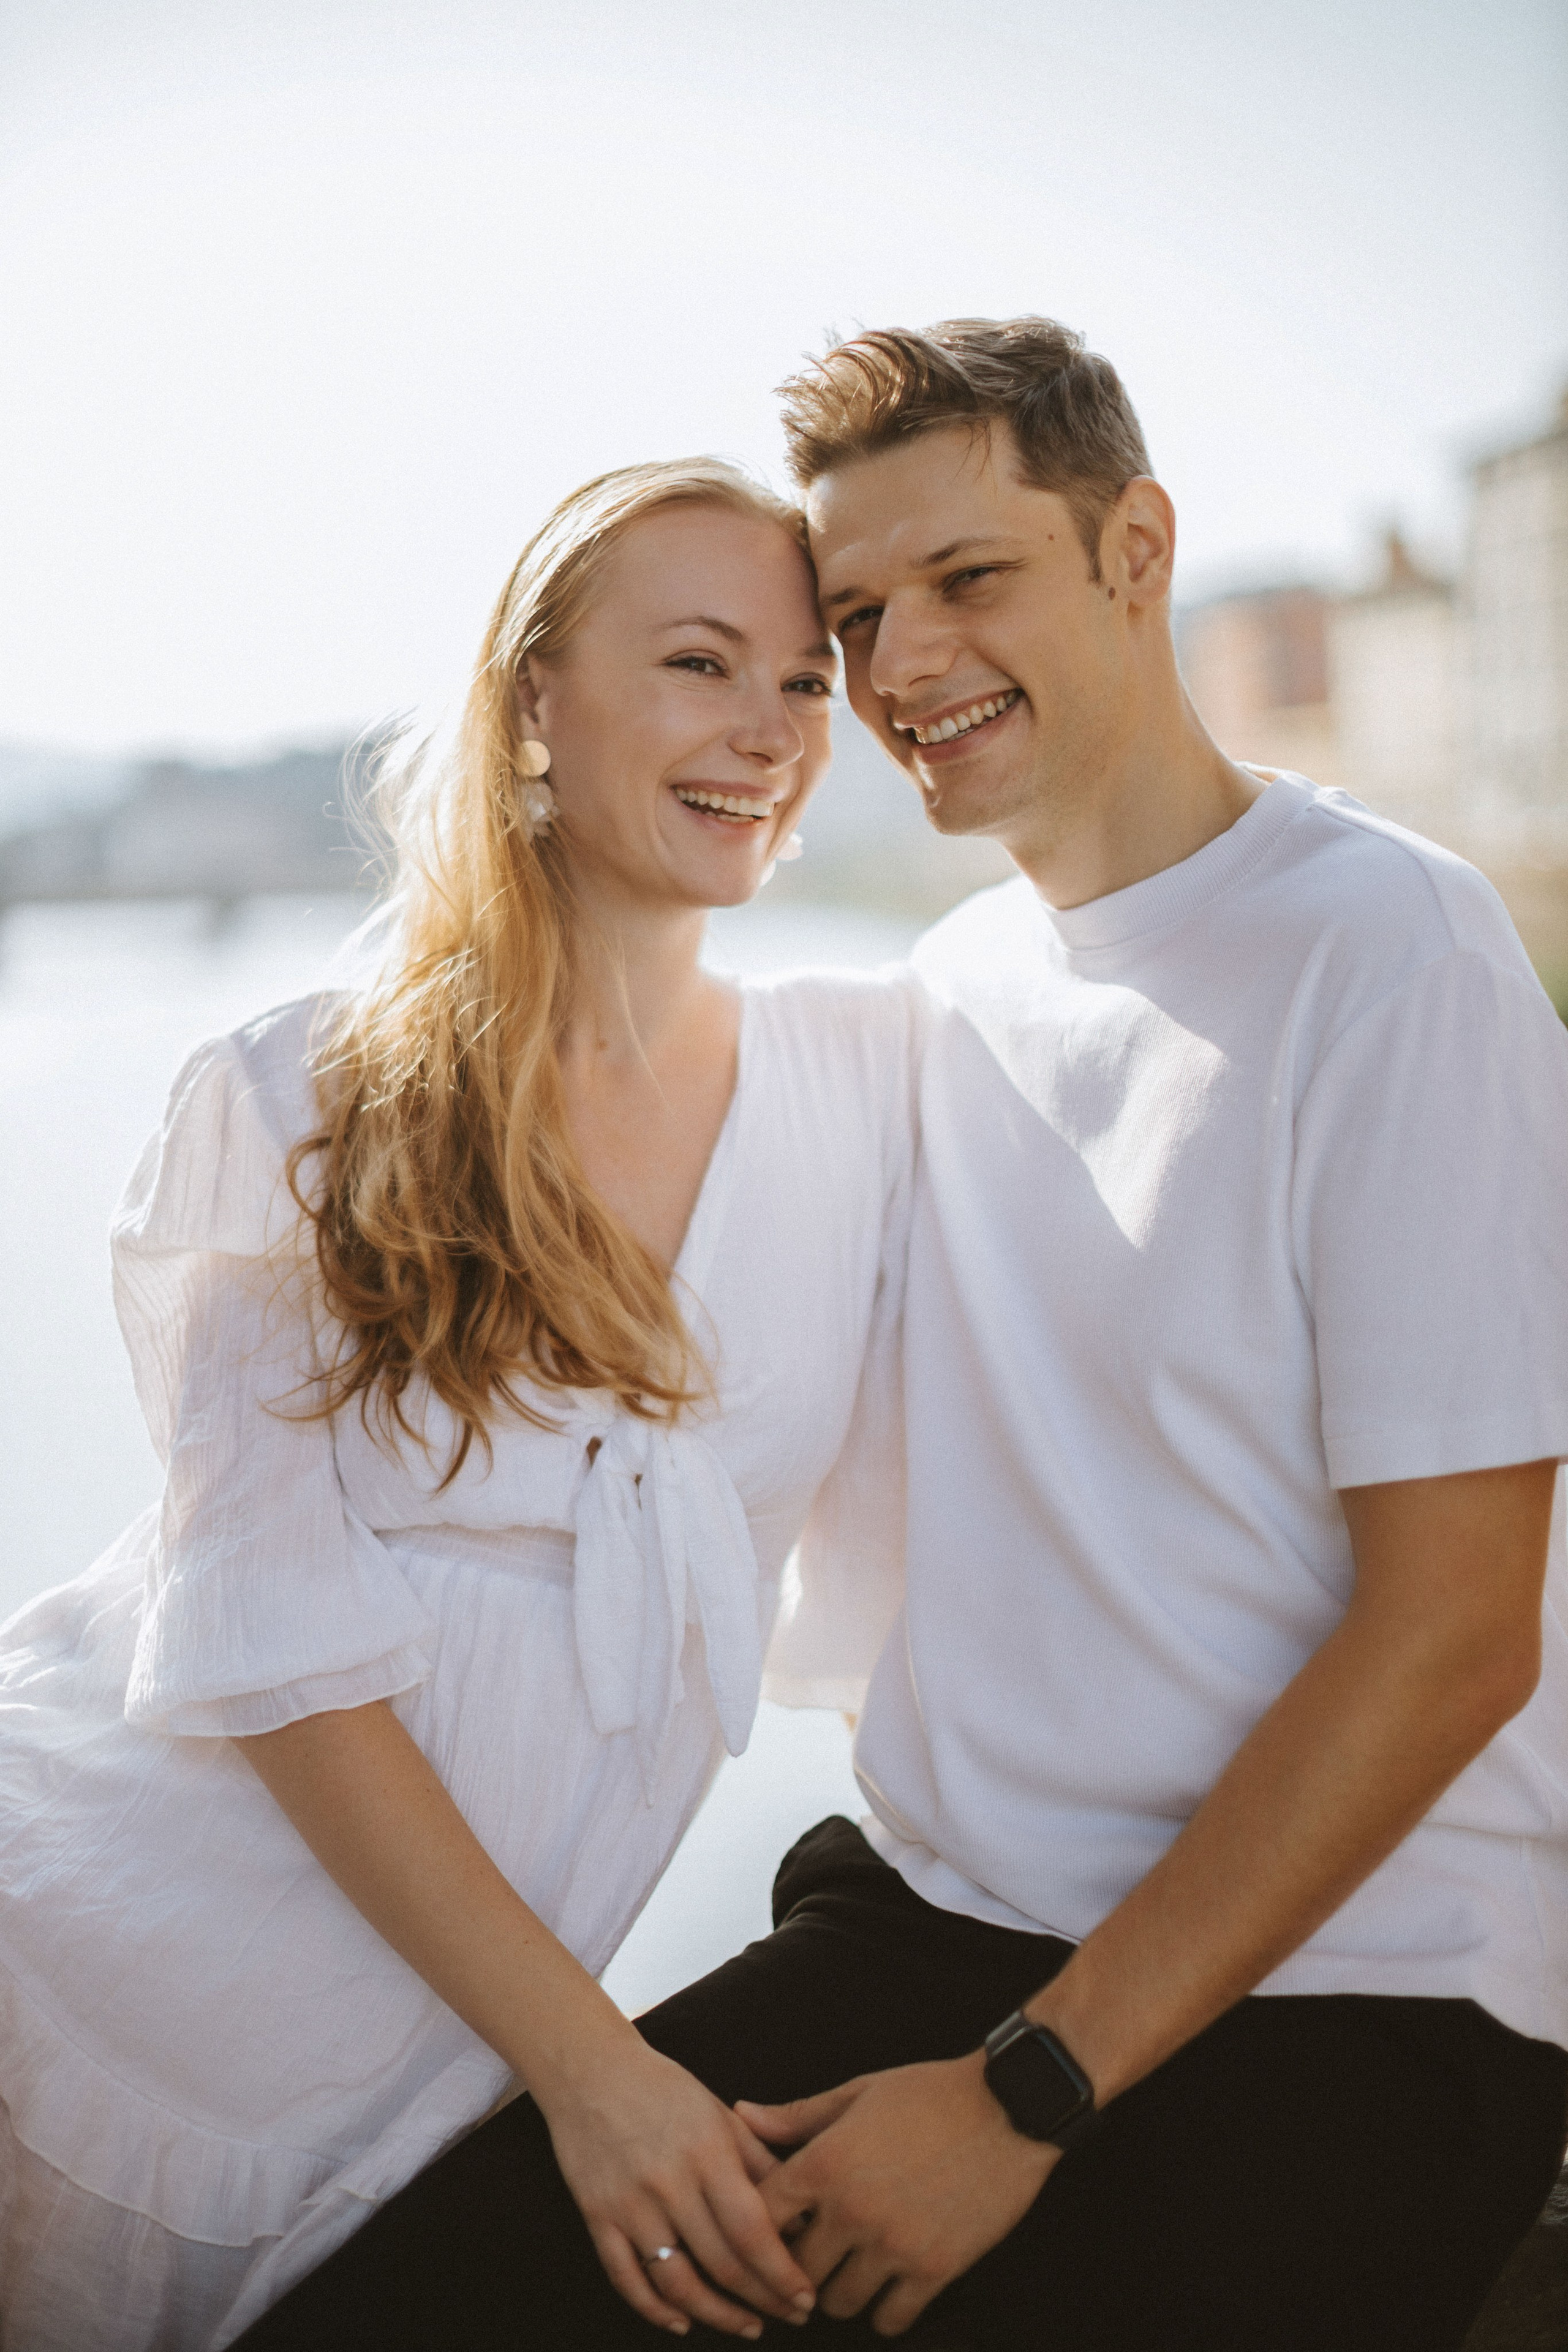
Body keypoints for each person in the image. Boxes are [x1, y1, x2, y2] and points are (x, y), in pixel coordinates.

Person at [235, 318, 1568, 2352]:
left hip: (1362, 1984)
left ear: (1138, 548)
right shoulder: (935, 999)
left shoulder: (1392, 948)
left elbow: (1464, 1627)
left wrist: (1031, 2089)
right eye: (855, 615)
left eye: (971, 579)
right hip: (938, 1924)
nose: (902, 666)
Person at [0, 456, 925, 2351]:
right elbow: (270, 1649)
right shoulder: (298, 1101)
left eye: (807, 678)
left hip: (424, 2088)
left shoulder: (871, 1085)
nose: (767, 731)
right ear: (532, 705)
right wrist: (597, 2073)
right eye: (696, 663)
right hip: (83, 1988)